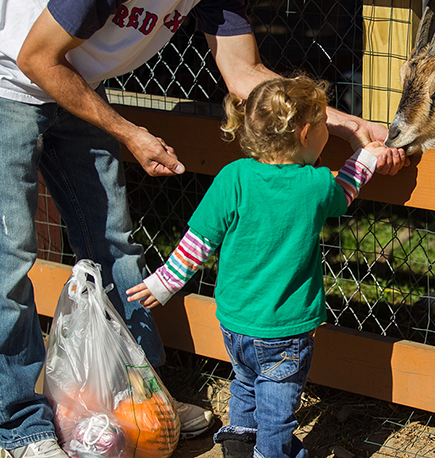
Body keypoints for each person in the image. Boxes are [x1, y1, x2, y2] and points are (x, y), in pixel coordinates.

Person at [0, 0, 407, 457]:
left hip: (76, 80)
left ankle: (140, 402)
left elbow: (244, 74)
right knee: (11, 256)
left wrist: (346, 123)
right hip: (14, 74)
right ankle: (20, 424)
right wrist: (130, 133)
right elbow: (36, 57)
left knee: (113, 242)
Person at [127, 75, 384, 458]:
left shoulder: (233, 176)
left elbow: (198, 242)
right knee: (278, 408)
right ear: (305, 133)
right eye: (324, 127)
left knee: (245, 381)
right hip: (284, 330)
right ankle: (269, 453)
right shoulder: (314, 185)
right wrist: (367, 156)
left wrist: (164, 283)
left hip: (234, 321)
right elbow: (345, 191)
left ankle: (239, 439)